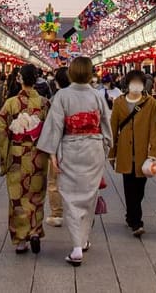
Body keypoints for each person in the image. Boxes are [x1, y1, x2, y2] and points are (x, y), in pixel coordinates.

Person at [37, 57, 112, 267]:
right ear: (90, 73)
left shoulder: (62, 95)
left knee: (70, 197)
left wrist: (52, 153)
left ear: (70, 73)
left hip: (70, 148)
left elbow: (55, 125)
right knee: (89, 196)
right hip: (93, 148)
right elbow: (106, 125)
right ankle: (83, 239)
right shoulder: (97, 95)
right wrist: (105, 148)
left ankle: (77, 247)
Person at [0, 65, 50, 254]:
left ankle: (20, 240)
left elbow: (1, 128)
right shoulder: (44, 103)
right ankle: (35, 231)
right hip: (38, 154)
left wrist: (6, 150)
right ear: (36, 80)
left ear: (20, 79)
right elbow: (50, 129)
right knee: (36, 195)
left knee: (18, 197)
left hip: (17, 154)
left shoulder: (11, 103)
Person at [109, 70, 156, 237]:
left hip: (142, 153)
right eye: (134, 82)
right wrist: (111, 153)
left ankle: (131, 215)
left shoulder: (151, 103)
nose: (137, 85)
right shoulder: (119, 102)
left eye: (140, 82)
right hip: (124, 151)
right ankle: (136, 222)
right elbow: (113, 128)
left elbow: (154, 128)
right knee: (129, 186)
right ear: (127, 83)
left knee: (140, 188)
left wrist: (153, 152)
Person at [46, 66, 70, 227]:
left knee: (54, 181)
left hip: (58, 145)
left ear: (57, 82)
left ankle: (57, 213)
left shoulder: (55, 99)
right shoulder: (82, 97)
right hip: (78, 145)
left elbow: (52, 125)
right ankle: (76, 212)